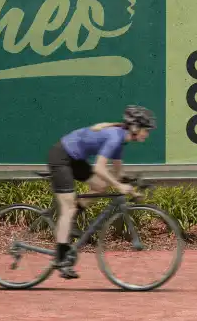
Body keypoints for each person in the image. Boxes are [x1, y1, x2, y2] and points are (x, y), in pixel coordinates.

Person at [46, 105, 156, 279]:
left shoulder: (121, 140)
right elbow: (99, 168)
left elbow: (118, 174)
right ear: (135, 128)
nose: (147, 134)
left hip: (74, 159)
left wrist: (133, 185)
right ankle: (61, 259)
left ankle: (74, 217)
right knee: (67, 208)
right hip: (61, 158)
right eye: (146, 130)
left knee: (100, 186)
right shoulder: (114, 137)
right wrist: (120, 187)